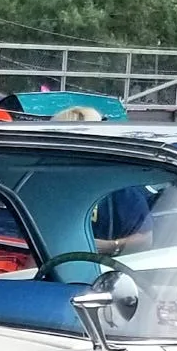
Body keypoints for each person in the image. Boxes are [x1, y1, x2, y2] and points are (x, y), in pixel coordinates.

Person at [53, 106, 152, 254]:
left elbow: (146, 238)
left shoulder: (119, 189)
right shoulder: (47, 185)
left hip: (103, 272)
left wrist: (111, 246)